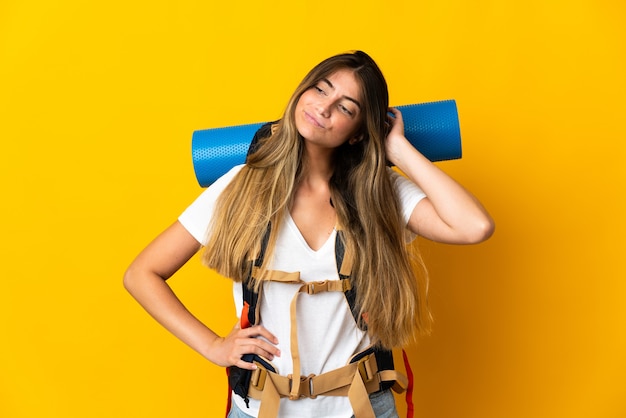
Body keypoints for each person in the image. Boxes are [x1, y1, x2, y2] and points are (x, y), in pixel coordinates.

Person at [123, 50, 494, 418]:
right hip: (262, 409)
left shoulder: (379, 192)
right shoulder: (240, 186)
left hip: (361, 408)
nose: (325, 107)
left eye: (346, 107)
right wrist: (213, 346)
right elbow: (141, 274)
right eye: (320, 89)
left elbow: (474, 226)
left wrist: (396, 147)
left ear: (358, 133)